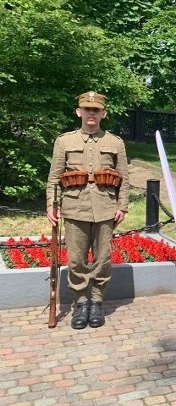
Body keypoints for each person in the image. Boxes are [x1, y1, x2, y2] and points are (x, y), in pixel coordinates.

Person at [46, 91, 130, 330]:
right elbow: (54, 177)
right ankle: (81, 303)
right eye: (87, 109)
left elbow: (124, 177)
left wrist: (122, 205)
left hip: (105, 208)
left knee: (103, 259)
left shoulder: (115, 143)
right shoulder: (64, 141)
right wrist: (51, 206)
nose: (91, 113)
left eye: (96, 110)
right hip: (74, 208)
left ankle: (97, 302)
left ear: (103, 114)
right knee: (76, 260)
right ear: (79, 112)